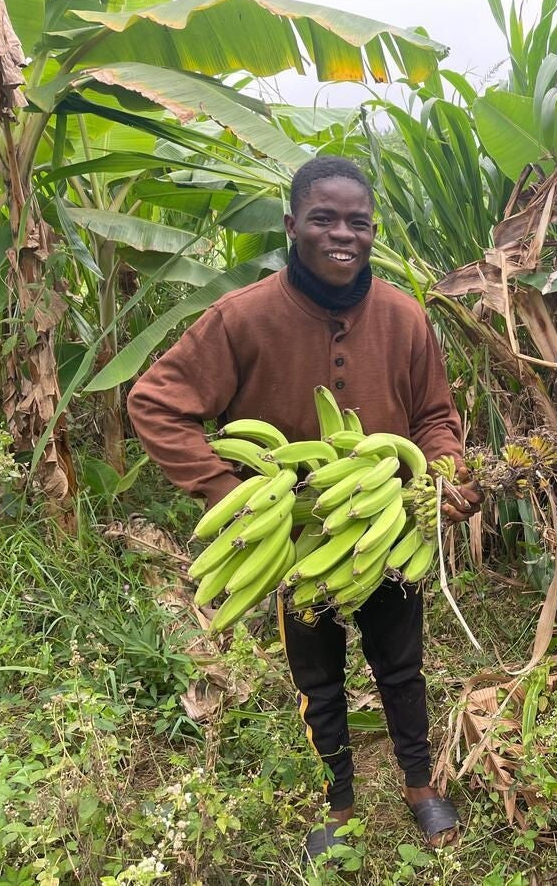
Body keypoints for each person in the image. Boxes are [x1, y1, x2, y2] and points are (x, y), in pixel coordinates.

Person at [127, 156, 481, 863]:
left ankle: (418, 783)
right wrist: (231, 496)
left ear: (373, 231)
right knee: (316, 672)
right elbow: (155, 402)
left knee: (401, 663)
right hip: (295, 535)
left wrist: (446, 473)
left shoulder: (404, 318)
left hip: (386, 524)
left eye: (358, 222)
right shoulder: (242, 318)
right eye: (324, 218)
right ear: (292, 225)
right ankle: (337, 801)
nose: (341, 234)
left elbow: (436, 417)